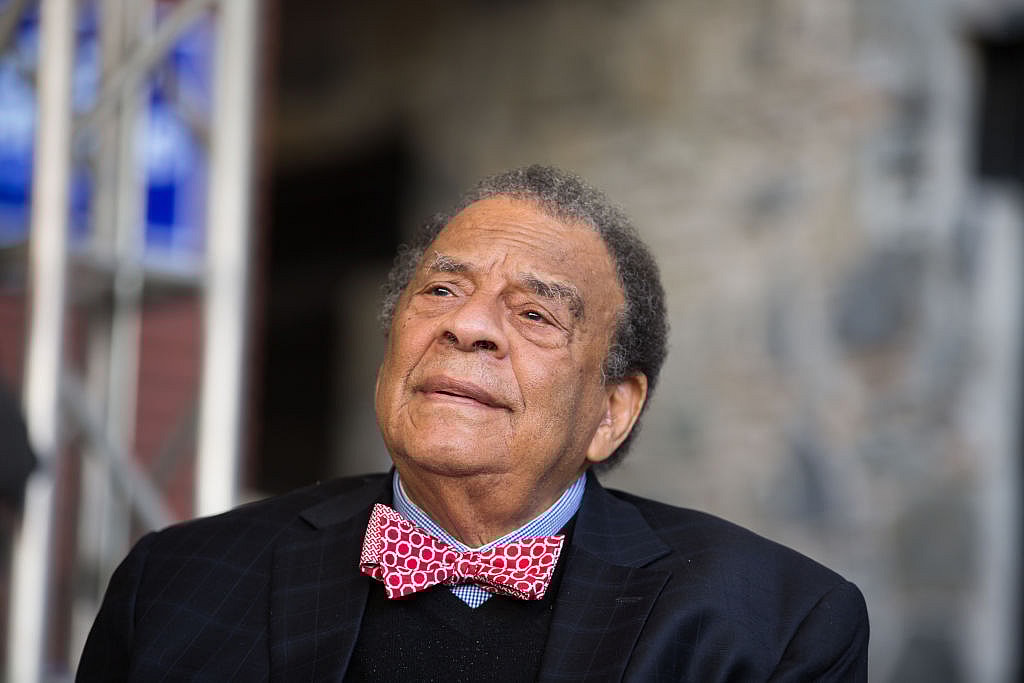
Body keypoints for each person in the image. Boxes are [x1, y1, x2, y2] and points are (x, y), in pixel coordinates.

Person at [77, 165, 868, 681]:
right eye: (442, 292)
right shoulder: (177, 585)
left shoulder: (772, 627)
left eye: (533, 313)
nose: (469, 328)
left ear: (611, 410)